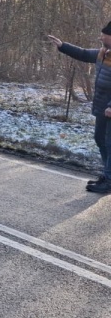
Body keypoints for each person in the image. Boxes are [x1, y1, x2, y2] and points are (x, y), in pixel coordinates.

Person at [47, 23, 111, 194]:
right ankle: (107, 175)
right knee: (100, 139)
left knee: (109, 143)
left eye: (103, 35)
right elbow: (82, 53)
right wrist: (62, 46)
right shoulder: (102, 54)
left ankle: (109, 180)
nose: (100, 37)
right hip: (102, 107)